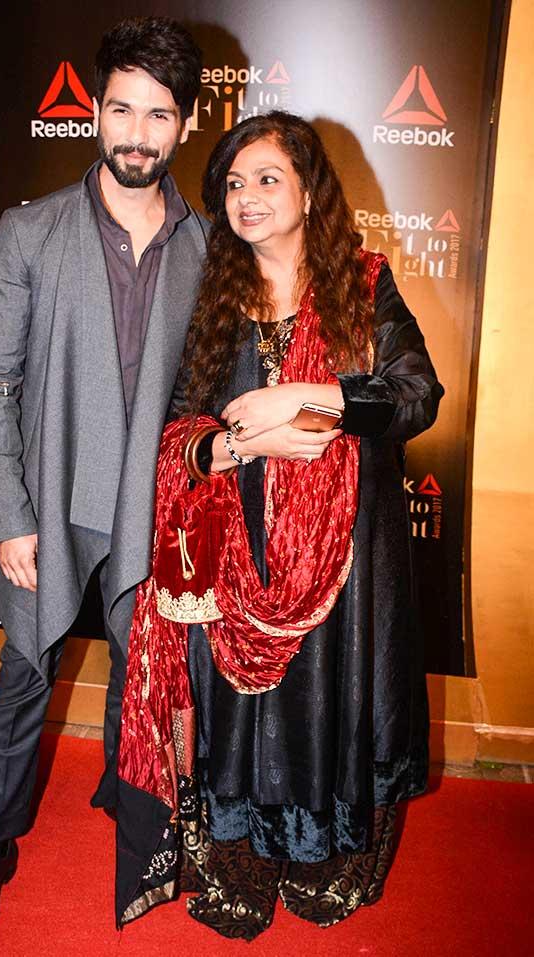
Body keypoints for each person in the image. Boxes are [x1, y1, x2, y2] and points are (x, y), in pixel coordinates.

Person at [114, 111, 444, 939]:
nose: (247, 197)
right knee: (240, 714)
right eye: (233, 183)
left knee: (330, 701)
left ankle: (328, 863)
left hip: (345, 564)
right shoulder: (217, 303)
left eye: (267, 178)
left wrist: (307, 399)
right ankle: (239, 865)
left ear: (308, 191)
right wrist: (224, 446)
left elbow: (414, 396)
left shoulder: (365, 288)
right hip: (239, 554)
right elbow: (180, 427)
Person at [0, 17, 205, 949]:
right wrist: (11, 517)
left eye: (160, 116)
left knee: (145, 683)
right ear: (96, 110)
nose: (138, 134)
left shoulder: (203, 244)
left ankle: (136, 822)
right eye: (122, 110)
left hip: (149, 510)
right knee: (23, 680)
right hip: (51, 504)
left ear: (185, 125)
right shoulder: (30, 231)